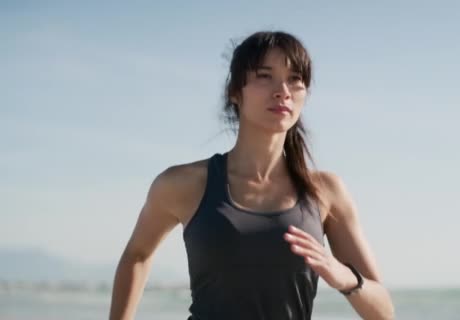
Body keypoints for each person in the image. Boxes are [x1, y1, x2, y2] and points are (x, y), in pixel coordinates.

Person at [109, 31, 395, 320]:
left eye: (295, 79)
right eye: (264, 75)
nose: (282, 90)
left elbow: (384, 312)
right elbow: (137, 255)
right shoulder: (184, 184)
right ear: (235, 92)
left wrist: (344, 276)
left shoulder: (324, 191)